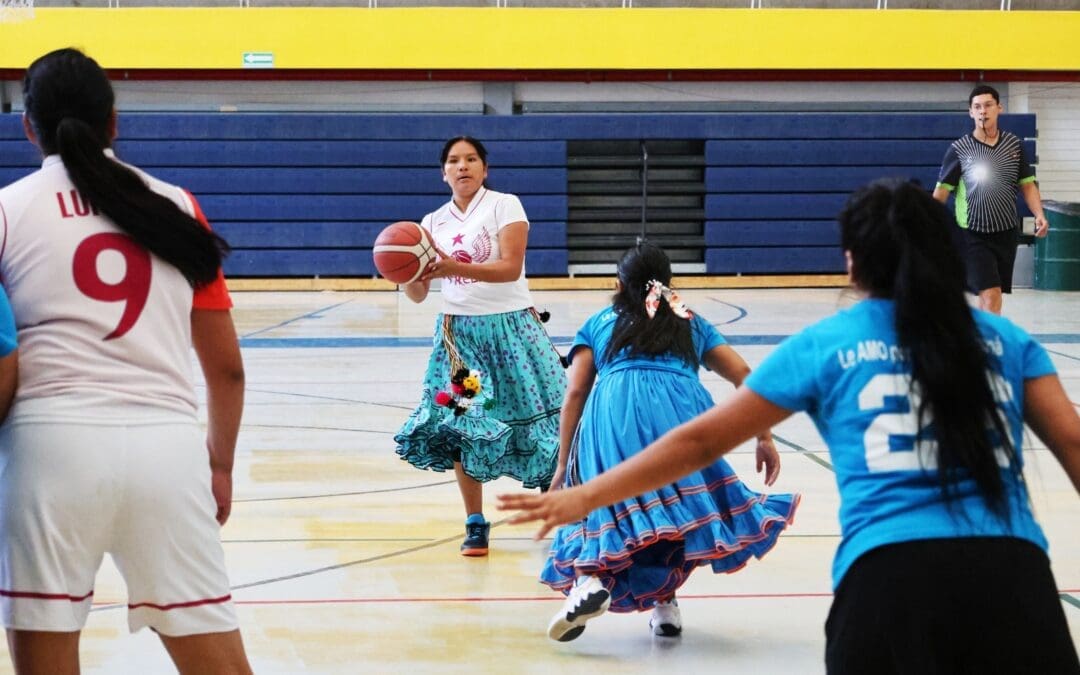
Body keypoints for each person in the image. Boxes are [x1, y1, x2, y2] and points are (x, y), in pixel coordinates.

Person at [500, 179, 1080, 674]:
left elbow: (700, 441)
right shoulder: (1007, 340)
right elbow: (1074, 444)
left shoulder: (827, 344)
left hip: (889, 579)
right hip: (1015, 577)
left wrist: (580, 495)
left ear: (852, 260)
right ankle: (664, 600)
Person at [0, 49, 252, 674]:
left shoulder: (7, 210)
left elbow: (4, 359)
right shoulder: (177, 206)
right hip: (167, 454)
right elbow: (227, 370)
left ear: (29, 127)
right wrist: (218, 465)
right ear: (113, 122)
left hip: (47, 452)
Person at [540, 242, 798, 642]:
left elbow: (574, 394)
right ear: (667, 283)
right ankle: (665, 608)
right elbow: (746, 374)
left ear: (618, 283)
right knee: (674, 512)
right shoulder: (689, 321)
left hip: (616, 407)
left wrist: (562, 466)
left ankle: (589, 580)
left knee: (600, 501)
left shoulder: (598, 322)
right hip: (680, 413)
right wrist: (764, 436)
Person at [395, 136, 566, 557]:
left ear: (484, 169)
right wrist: (400, 270)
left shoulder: (505, 205)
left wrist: (451, 266)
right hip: (461, 340)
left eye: (471, 159)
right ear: (443, 172)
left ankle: (559, 512)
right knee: (460, 423)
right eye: (454, 161)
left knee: (544, 420)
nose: (462, 166)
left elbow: (509, 268)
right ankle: (475, 521)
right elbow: (418, 294)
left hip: (514, 331)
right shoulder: (430, 223)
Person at [932, 84, 1050, 315]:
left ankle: (983, 337)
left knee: (994, 296)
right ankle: (986, 346)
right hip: (972, 233)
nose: (982, 111)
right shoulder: (959, 149)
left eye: (987, 105)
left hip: (1006, 231)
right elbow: (941, 192)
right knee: (990, 292)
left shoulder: (1014, 146)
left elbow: (1027, 184)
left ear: (999, 108)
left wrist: (1039, 215)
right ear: (970, 112)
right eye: (977, 107)